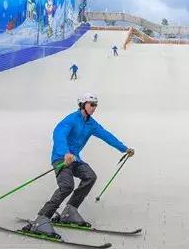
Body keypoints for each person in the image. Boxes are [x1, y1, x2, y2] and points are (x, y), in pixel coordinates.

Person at [23, 93, 135, 237]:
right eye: (91, 104)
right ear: (83, 104)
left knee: (90, 176)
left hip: (75, 159)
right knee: (67, 186)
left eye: (95, 105)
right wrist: (65, 153)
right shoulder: (71, 119)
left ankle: (69, 211)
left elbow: (106, 135)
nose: (94, 108)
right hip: (61, 159)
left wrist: (124, 148)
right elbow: (59, 134)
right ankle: (41, 219)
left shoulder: (91, 124)